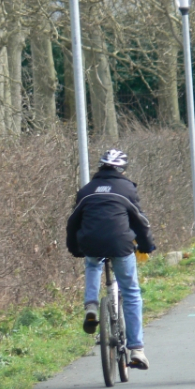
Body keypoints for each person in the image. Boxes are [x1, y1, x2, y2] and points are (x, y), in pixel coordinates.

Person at [66, 149, 156, 370]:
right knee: (131, 292)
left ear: (100, 167)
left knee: (92, 262)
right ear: (122, 169)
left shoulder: (86, 191)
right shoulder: (127, 189)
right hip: (120, 243)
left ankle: (91, 306)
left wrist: (75, 248)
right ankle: (137, 349)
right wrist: (147, 246)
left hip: (91, 242)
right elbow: (140, 222)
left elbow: (72, 222)